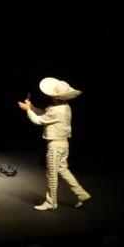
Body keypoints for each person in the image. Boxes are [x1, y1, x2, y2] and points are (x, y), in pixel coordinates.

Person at [18, 77, 91, 211]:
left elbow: (39, 121)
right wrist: (31, 107)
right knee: (63, 170)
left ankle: (51, 202)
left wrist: (28, 110)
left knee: (52, 174)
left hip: (55, 146)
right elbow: (45, 114)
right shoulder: (64, 106)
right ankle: (82, 195)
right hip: (63, 144)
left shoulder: (57, 109)